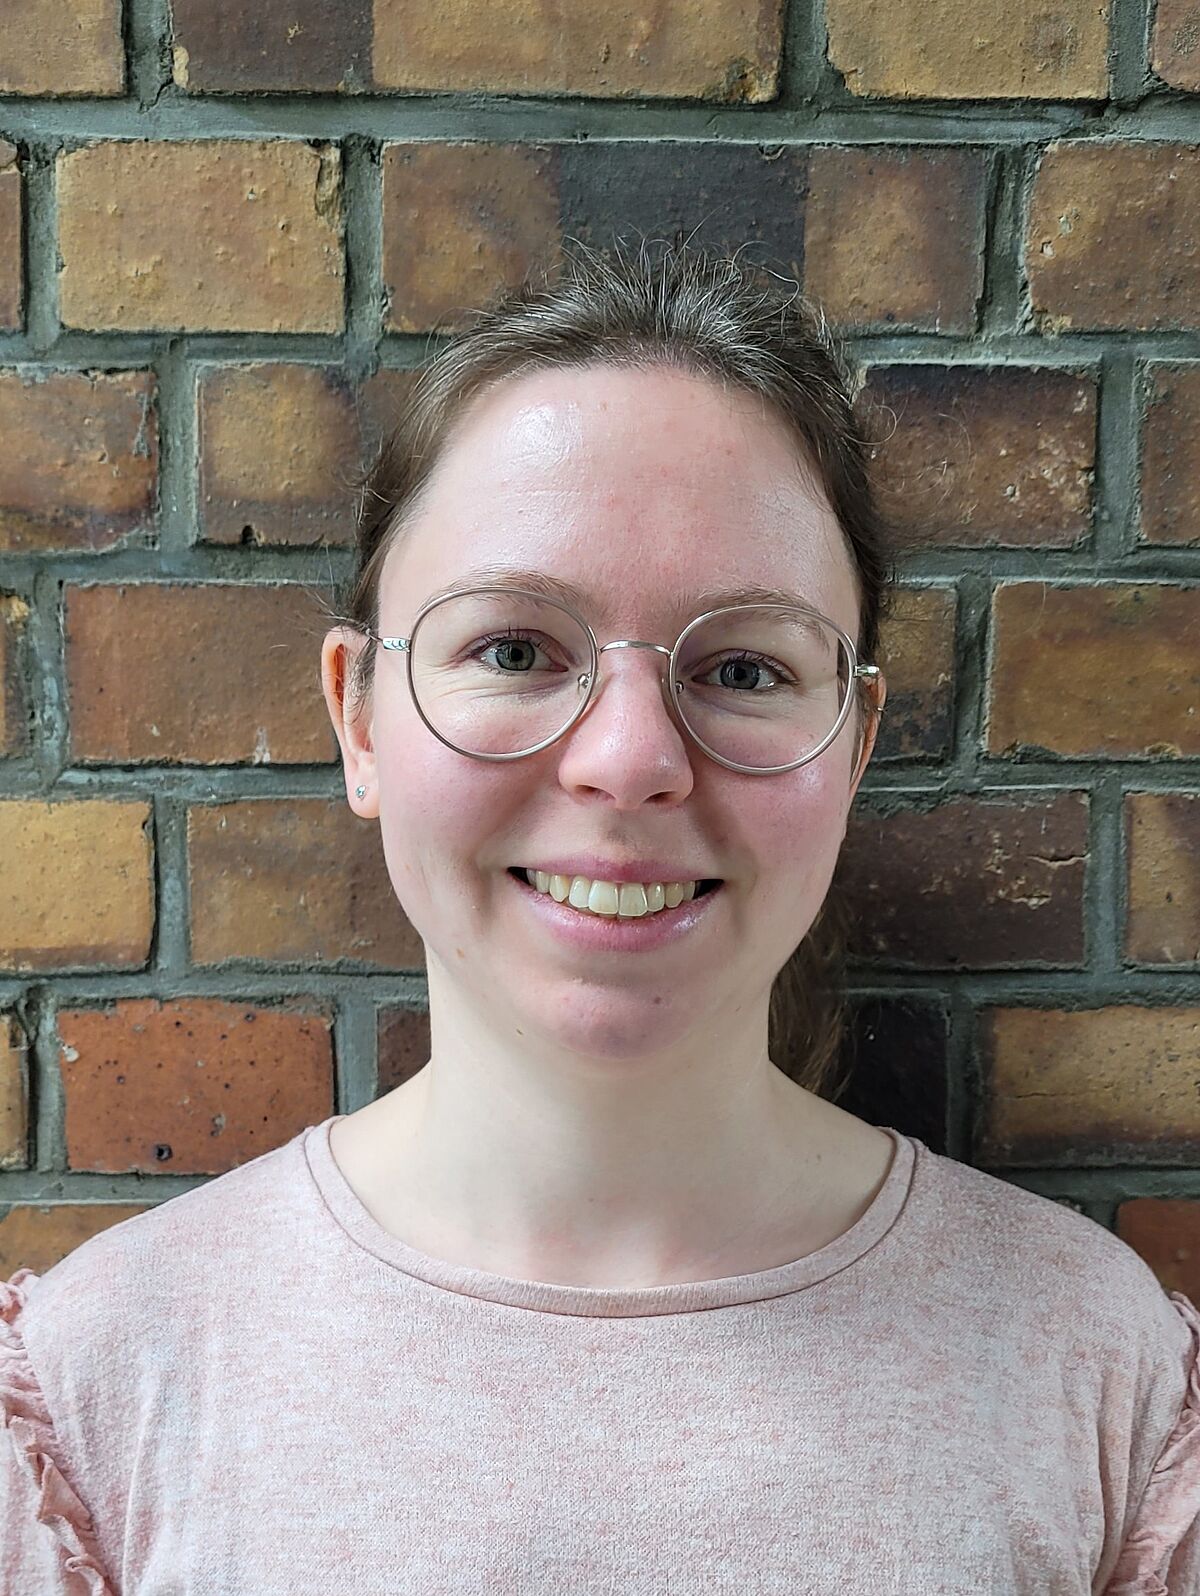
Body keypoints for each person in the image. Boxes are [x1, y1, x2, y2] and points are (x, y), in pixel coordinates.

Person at [1, 240, 1197, 1594]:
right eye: (514, 649)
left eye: (744, 667)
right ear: (359, 716)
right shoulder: (104, 1393)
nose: (629, 758)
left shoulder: (1097, 1379)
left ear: (854, 745)